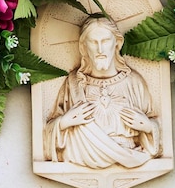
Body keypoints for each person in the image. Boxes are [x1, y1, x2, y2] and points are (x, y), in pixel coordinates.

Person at [44, 15, 161, 169]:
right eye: (93, 42)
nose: (100, 49)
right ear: (84, 47)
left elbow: (155, 124)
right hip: (81, 156)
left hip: (132, 155)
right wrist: (65, 122)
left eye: (105, 41)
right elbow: (48, 134)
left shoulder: (134, 82)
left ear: (117, 43)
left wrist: (146, 126)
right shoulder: (73, 84)